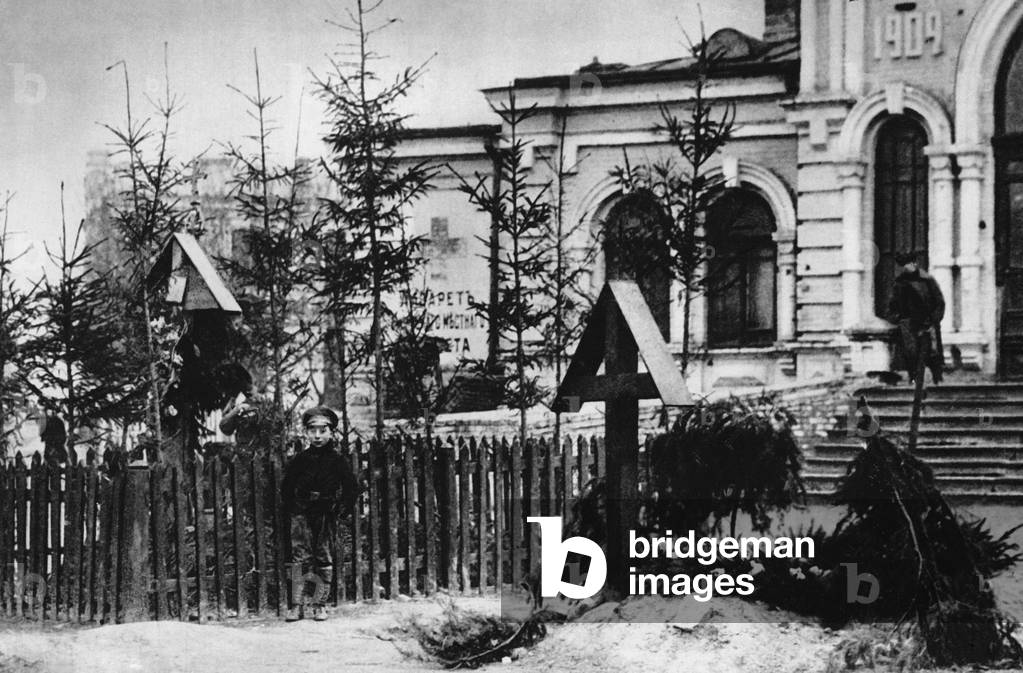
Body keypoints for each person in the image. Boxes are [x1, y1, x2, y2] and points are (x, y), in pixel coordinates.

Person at [280, 405, 357, 621]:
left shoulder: (337, 460)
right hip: (301, 513)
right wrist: (293, 509)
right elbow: (287, 487)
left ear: (331, 432)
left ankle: (320, 604)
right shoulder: (300, 460)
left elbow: (351, 488)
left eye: (322, 430)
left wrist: (341, 510)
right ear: (306, 432)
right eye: (312, 430)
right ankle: (296, 605)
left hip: (325, 513)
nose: (317, 435)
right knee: (299, 559)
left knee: (324, 557)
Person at [887, 251, 945, 385]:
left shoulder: (927, 280)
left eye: (908, 264)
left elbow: (939, 302)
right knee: (911, 354)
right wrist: (897, 318)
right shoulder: (900, 283)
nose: (906, 267)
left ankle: (938, 380)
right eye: (904, 265)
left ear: (915, 263)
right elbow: (892, 304)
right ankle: (913, 381)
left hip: (927, 323)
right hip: (908, 324)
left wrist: (934, 319)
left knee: (932, 353)